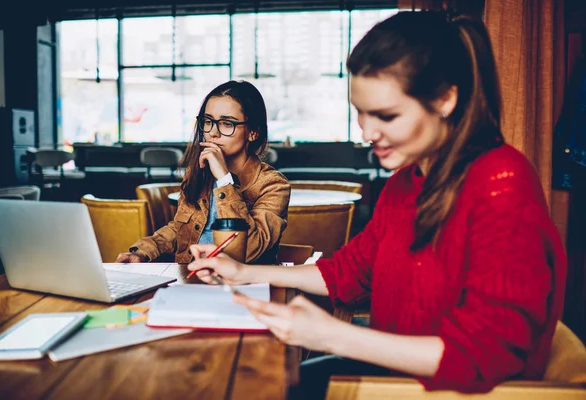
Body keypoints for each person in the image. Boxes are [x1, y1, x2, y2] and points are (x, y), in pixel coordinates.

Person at [186, 11, 567, 397]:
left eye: (386, 115)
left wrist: (335, 336)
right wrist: (241, 272)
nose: (367, 133)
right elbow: (349, 273)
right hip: (400, 373)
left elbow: (484, 356)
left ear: (446, 99)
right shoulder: (407, 181)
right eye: (360, 113)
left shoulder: (502, 185)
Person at [117, 80, 290, 265]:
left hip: (242, 284)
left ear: (253, 133)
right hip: (189, 276)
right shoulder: (199, 173)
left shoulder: (273, 185)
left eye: (226, 123)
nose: (213, 133)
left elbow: (248, 249)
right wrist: (143, 251)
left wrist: (225, 180)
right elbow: (180, 229)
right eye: (208, 122)